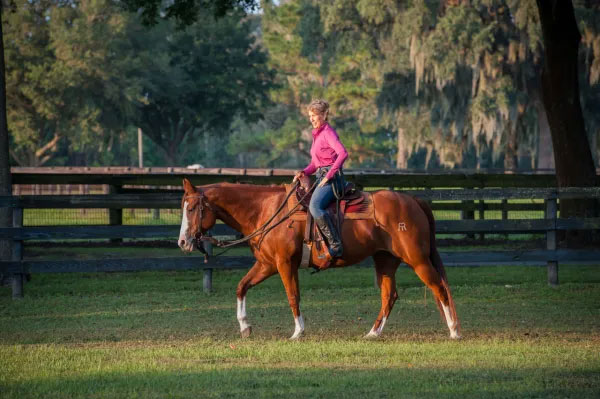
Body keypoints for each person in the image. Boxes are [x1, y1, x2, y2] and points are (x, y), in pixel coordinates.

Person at [294, 99, 348, 258]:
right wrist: (304, 172)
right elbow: (315, 163)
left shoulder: (328, 133)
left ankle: (336, 246)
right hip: (321, 176)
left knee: (315, 207)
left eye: (314, 115)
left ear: (324, 115)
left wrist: (329, 175)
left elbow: (343, 153)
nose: (311, 119)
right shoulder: (318, 135)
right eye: (310, 115)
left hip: (332, 179)